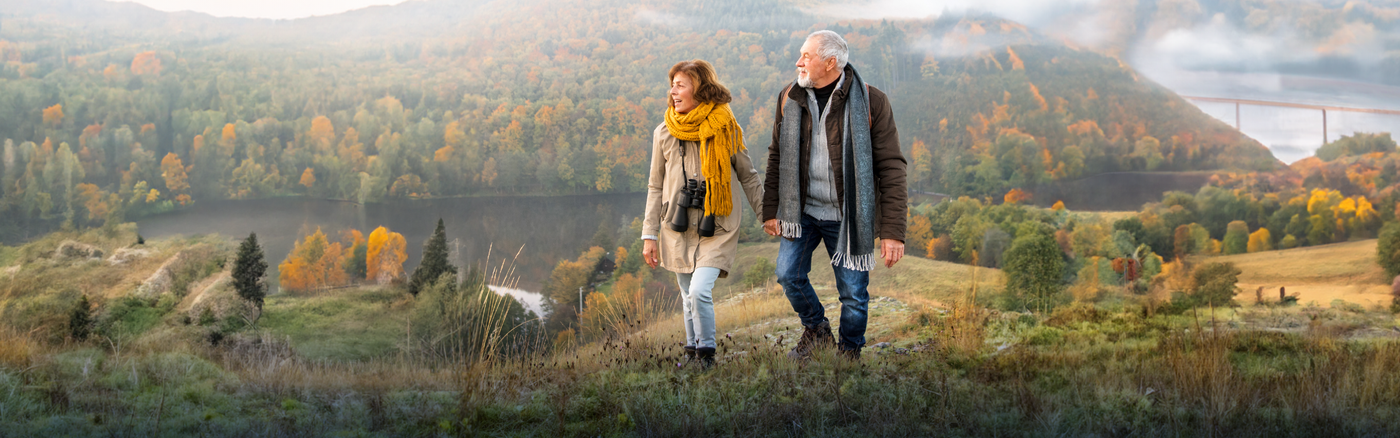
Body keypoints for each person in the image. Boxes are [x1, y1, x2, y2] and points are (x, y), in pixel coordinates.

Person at [761, 30, 908, 361]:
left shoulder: (872, 102)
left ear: (830, 63)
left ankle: (849, 355)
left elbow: (892, 168)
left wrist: (893, 232)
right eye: (800, 54)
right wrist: (771, 209)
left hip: (848, 215)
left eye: (806, 57)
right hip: (803, 210)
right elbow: (776, 155)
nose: (798, 62)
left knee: (853, 294)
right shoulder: (790, 97)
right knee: (788, 274)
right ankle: (817, 330)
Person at [641, 60, 764, 369]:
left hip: (717, 224)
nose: (673, 92)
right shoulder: (663, 133)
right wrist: (649, 234)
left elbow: (748, 176)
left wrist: (766, 215)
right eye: (672, 85)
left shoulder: (726, 129)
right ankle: (692, 352)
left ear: (700, 89)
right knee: (686, 294)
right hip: (677, 226)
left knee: (698, 291)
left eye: (680, 85)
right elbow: (655, 185)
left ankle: (706, 357)